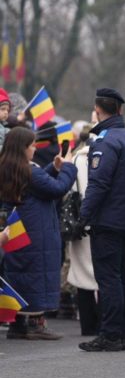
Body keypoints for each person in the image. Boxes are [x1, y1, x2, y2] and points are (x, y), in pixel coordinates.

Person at [77, 89, 125, 352]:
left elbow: (98, 184)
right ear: (120, 110)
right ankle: (122, 334)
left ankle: (110, 335)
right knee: (122, 279)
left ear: (97, 110)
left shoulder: (105, 142)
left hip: (108, 221)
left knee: (108, 280)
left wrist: (84, 215)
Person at [1, 127, 77, 340]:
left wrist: (53, 167)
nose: (35, 148)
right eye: (32, 145)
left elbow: (40, 183)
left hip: (16, 229)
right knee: (38, 272)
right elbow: (57, 189)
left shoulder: (8, 167)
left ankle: (17, 324)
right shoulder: (29, 171)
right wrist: (69, 167)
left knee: (19, 273)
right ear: (23, 148)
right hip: (37, 230)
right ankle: (36, 324)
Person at [67, 125, 101, 336]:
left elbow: (70, 191)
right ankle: (104, 324)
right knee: (103, 275)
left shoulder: (76, 159)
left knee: (81, 275)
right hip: (101, 221)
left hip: (79, 223)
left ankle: (88, 325)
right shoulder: (105, 158)